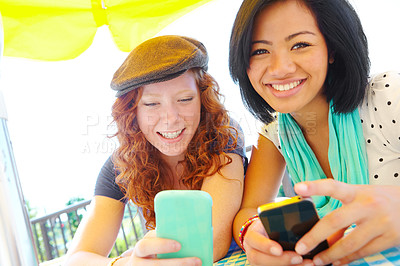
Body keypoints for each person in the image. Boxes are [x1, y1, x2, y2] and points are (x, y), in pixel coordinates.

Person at [228, 0, 400, 265]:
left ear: (332, 48)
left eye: (300, 45)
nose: (279, 68)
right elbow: (248, 210)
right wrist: (252, 234)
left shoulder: (389, 97)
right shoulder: (274, 134)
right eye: (260, 50)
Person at [64, 35, 247, 265]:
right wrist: (123, 263)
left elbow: (209, 244)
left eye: (185, 99)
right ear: (132, 112)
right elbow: (77, 258)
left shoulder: (223, 134)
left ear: (203, 99)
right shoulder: (122, 162)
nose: (170, 119)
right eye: (151, 104)